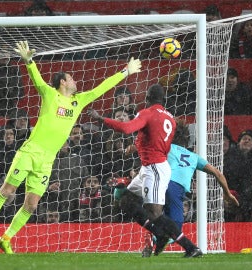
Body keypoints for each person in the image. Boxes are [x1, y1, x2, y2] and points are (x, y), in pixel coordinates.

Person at [0, 40, 141, 254]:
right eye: (71, 78)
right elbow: (36, 79)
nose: (75, 81)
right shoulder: (49, 94)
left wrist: (125, 71)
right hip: (30, 151)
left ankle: (6, 238)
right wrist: (29, 62)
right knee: (7, 191)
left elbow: (102, 88)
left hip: (47, 160)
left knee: (31, 205)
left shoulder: (79, 101)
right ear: (62, 82)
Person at [88, 84, 238, 258]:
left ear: (147, 97)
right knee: (126, 200)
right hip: (150, 167)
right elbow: (159, 144)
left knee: (156, 213)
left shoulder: (147, 113)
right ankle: (159, 234)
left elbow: (126, 128)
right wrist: (138, 147)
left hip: (155, 169)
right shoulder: (171, 119)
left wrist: (101, 119)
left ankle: (190, 247)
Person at [143, 119, 239, 256]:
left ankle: (155, 238)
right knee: (175, 226)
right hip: (174, 187)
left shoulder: (167, 148)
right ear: (187, 139)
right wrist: (228, 193)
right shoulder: (194, 157)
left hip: (160, 183)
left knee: (163, 219)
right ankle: (158, 239)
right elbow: (217, 173)